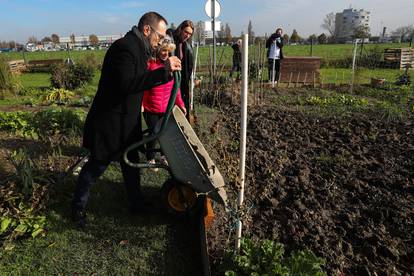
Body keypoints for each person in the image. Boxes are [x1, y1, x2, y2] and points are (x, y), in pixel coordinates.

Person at [71, 12, 182, 228]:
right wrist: (163, 73)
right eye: (159, 36)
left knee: (131, 165)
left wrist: (164, 66)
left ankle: (136, 203)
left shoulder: (140, 48)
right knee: (97, 165)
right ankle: (77, 207)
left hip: (127, 120)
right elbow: (127, 84)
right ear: (147, 30)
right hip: (110, 122)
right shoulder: (125, 48)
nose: (160, 41)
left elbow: (141, 77)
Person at [142, 38, 186, 170]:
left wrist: (181, 104)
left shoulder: (172, 66)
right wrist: (142, 104)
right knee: (154, 134)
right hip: (151, 108)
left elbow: (176, 88)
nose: (165, 53)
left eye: (167, 51)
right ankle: (150, 159)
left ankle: (163, 156)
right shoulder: (151, 64)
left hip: (166, 108)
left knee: (165, 133)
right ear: (158, 50)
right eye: (163, 50)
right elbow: (144, 86)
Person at [173, 20, 194, 120]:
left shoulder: (186, 45)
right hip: (171, 81)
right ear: (181, 29)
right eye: (186, 32)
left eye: (190, 34)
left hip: (182, 82)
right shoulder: (173, 41)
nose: (187, 35)